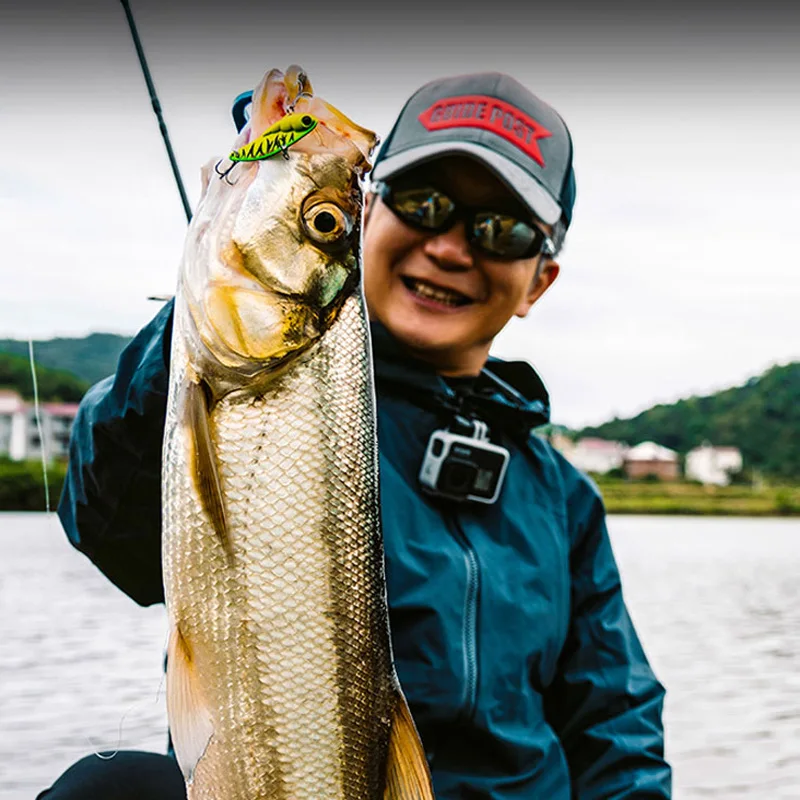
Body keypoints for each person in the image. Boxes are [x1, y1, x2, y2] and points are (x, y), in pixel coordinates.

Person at [41, 72, 671, 799]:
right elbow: (105, 520)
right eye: (423, 203)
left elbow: (616, 723)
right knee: (107, 789)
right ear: (368, 214)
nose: (450, 247)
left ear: (539, 281)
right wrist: (250, 219)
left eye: (501, 229)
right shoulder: (248, 382)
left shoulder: (565, 502)